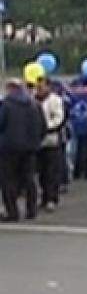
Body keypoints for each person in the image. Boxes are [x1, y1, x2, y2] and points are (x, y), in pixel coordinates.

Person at [0, 79, 46, 222]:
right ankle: (31, 210)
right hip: (30, 148)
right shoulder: (35, 105)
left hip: (8, 148)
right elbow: (43, 126)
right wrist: (36, 141)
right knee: (29, 179)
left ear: (10, 89)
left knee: (8, 180)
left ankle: (12, 212)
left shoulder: (5, 105)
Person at [34, 77, 66, 212]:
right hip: (37, 141)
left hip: (51, 139)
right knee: (41, 171)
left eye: (42, 86)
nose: (39, 89)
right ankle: (44, 196)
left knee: (52, 171)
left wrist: (46, 127)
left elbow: (59, 118)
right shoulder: (33, 100)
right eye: (38, 86)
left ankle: (52, 198)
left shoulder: (55, 100)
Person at [67, 76, 87, 180]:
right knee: (85, 148)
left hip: (75, 124)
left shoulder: (72, 97)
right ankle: (86, 170)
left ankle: (77, 171)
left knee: (77, 149)